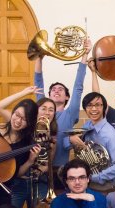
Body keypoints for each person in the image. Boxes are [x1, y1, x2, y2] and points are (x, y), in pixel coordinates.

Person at [34, 38, 92, 175]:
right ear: (48, 95)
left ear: (67, 97)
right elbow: (38, 83)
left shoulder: (70, 113)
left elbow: (78, 86)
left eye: (61, 89)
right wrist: (39, 57)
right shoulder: (43, 108)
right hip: (40, 165)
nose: (56, 90)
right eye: (53, 89)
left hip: (61, 169)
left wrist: (85, 54)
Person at [0, 86, 59, 206]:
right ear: (36, 111)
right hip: (18, 182)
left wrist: (43, 168)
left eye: (51, 110)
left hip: (39, 182)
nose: (47, 112)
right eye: (43, 108)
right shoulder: (23, 125)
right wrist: (23, 93)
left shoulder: (53, 137)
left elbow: (48, 163)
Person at [70, 92, 115, 193]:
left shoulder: (110, 134)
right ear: (85, 108)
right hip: (90, 181)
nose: (94, 109)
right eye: (89, 105)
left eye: (97, 105)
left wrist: (95, 177)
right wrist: (71, 138)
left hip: (107, 186)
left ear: (103, 108)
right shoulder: (88, 125)